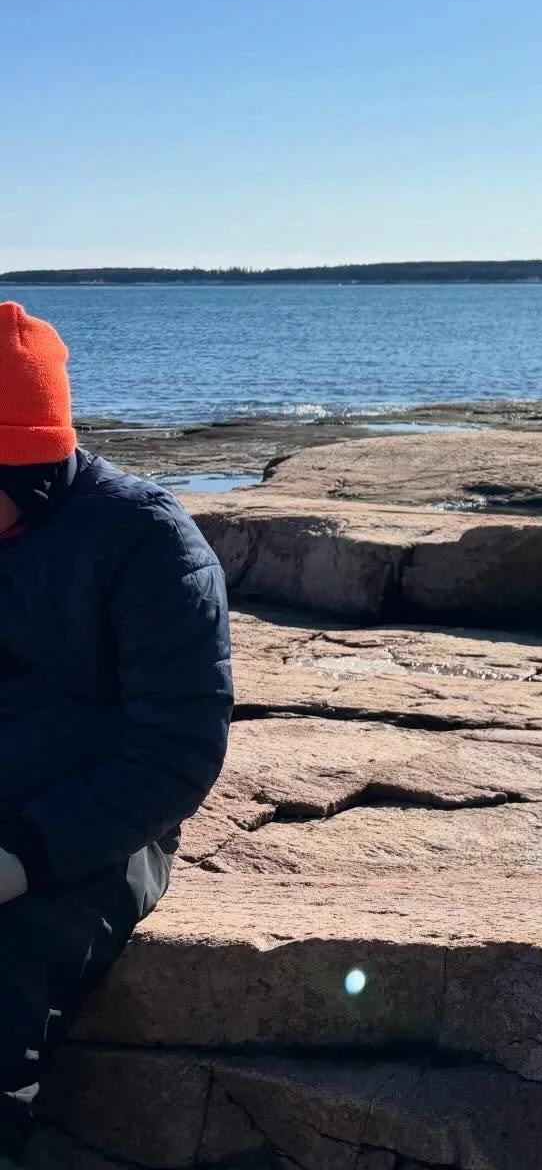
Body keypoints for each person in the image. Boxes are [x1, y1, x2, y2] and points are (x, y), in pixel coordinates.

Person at [0, 303, 232, 1154]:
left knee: (12, 960)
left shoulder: (147, 543)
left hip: (100, 834)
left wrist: (22, 858)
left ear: (30, 469)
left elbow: (176, 750)